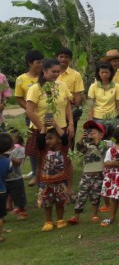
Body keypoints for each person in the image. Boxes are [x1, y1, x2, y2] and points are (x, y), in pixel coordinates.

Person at [25, 59, 74, 188]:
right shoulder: (35, 88)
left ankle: (66, 187)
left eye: (58, 72)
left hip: (60, 128)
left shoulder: (61, 85)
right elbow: (30, 111)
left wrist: (71, 124)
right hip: (41, 129)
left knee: (64, 157)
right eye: (53, 71)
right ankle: (43, 187)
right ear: (44, 71)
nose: (56, 74)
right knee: (43, 159)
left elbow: (68, 105)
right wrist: (43, 130)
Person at [67, 121, 112, 225]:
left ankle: (95, 214)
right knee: (81, 195)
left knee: (95, 196)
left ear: (101, 135)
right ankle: (76, 216)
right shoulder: (86, 145)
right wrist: (81, 139)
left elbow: (103, 151)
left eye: (93, 132)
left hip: (98, 175)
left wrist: (96, 142)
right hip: (86, 175)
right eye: (88, 131)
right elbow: (79, 148)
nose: (90, 133)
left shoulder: (104, 144)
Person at [14, 50, 44, 183]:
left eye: (42, 62)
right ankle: (34, 173)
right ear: (30, 63)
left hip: (47, 116)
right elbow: (18, 98)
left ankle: (46, 172)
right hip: (31, 117)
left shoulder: (46, 76)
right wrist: (29, 109)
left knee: (47, 142)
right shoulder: (21, 79)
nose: (41, 65)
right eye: (38, 62)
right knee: (33, 145)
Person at [36, 128, 71, 232]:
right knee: (47, 203)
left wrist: (55, 125)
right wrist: (43, 126)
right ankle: (48, 222)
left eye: (50, 138)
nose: (47, 141)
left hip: (60, 183)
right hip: (46, 183)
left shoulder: (63, 150)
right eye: (47, 139)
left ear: (59, 140)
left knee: (60, 203)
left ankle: (60, 220)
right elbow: (40, 141)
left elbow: (65, 138)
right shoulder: (44, 151)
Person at [55, 47, 84, 136]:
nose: (63, 59)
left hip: (69, 109)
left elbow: (78, 94)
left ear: (70, 59)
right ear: (57, 58)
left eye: (66, 57)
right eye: (61, 56)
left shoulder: (76, 75)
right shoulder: (52, 73)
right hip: (54, 109)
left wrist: (77, 109)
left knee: (69, 135)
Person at [87, 62, 119, 127]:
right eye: (102, 72)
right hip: (97, 118)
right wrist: (90, 120)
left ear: (111, 73)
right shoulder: (93, 86)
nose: (104, 74)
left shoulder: (116, 86)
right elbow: (91, 105)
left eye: (106, 72)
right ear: (98, 73)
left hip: (112, 118)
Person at [4, 130, 27, 220]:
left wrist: (10, 158)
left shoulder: (20, 149)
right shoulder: (2, 150)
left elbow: (18, 163)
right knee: (2, 197)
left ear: (17, 139)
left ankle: (22, 212)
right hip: (3, 179)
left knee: (19, 196)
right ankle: (2, 216)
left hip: (16, 178)